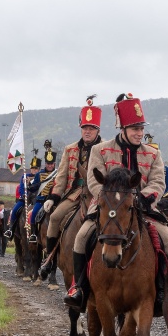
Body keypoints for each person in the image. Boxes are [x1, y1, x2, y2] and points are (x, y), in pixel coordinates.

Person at [63, 93, 168, 317]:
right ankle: (80, 288)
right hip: (107, 209)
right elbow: (94, 180)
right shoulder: (101, 150)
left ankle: (164, 290)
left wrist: (142, 198)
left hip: (144, 209)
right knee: (81, 237)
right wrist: (107, 200)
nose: (139, 133)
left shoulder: (153, 154)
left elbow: (158, 182)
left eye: (141, 128)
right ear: (122, 128)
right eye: (134, 128)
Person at [38, 95, 104, 277]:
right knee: (55, 217)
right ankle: (50, 259)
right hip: (74, 193)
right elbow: (61, 177)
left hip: (97, 193)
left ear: (97, 130)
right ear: (80, 129)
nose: (87, 131)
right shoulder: (70, 149)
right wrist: (53, 197)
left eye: (91, 128)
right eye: (85, 128)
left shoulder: (106, 148)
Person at [7, 151, 42, 239]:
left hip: (37, 199)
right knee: (14, 210)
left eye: (36, 168)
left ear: (39, 169)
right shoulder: (25, 176)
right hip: (25, 199)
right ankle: (11, 230)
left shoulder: (41, 176)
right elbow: (21, 188)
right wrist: (24, 195)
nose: (34, 170)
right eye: (33, 168)